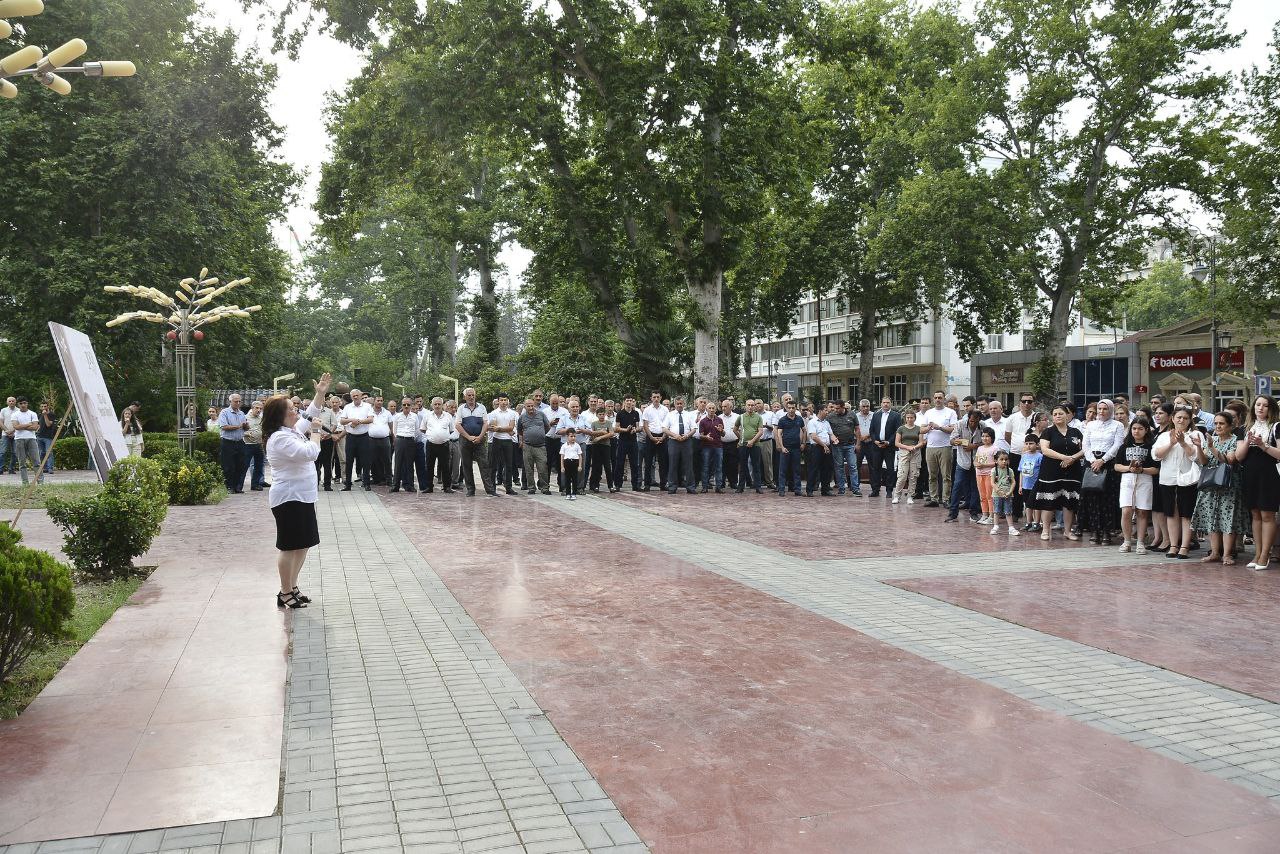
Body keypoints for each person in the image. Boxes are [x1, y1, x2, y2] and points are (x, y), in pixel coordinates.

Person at [263, 374, 331, 610]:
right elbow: (310, 453)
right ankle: (284, 592)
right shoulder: (279, 438)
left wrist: (320, 393)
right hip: (288, 499)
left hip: (302, 497)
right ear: (280, 415)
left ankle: (292, 586)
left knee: (303, 544)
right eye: (292, 409)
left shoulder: (291, 431)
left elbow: (312, 410)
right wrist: (316, 431)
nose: (297, 411)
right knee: (289, 546)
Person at [1192, 411, 1247, 565]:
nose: (1218, 426)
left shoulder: (1235, 440)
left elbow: (1229, 460)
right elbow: (1203, 461)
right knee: (1212, 518)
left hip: (1228, 485)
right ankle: (1215, 553)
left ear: (1230, 425)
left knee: (1228, 519)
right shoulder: (1212, 439)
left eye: (1221, 423)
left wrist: (1212, 448)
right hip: (1210, 485)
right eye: (1216, 423)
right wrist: (1199, 447)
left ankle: (1227, 554)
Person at [1236, 395, 1280, 570]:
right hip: (1250, 474)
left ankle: (1265, 554)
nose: (1260, 408)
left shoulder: (1276, 426)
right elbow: (1239, 456)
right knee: (1255, 514)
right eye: (1258, 405)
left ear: (1271, 409)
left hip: (1269, 474)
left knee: (1267, 515)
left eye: (1265, 405)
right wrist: (1248, 440)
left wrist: (1263, 445)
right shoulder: (1245, 428)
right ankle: (1257, 552)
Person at [1153, 406, 1203, 559]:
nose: (1181, 420)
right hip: (1167, 479)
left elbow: (1196, 457)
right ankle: (1173, 545)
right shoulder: (1164, 436)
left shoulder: (1195, 434)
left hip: (1188, 480)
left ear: (1190, 420)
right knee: (1171, 512)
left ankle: (1185, 546)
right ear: (1172, 419)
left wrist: (1183, 443)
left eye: (1185, 418)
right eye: (1179, 417)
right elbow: (1156, 455)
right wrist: (1171, 443)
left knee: (1186, 514)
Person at [1035, 405, 1085, 542]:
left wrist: (1072, 458)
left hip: (1072, 471)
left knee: (1069, 502)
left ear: (1067, 415)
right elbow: (1045, 450)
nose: (1058, 416)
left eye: (1061, 413)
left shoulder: (1076, 432)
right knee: (1049, 501)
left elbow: (1085, 448)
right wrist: (1064, 457)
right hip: (1051, 471)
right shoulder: (1048, 432)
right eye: (1055, 414)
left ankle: (1067, 531)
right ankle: (1046, 530)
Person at [1080, 399, 1125, 545]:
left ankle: (1107, 531)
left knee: (1107, 498)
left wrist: (1103, 460)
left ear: (1110, 410)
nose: (1101, 412)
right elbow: (1085, 444)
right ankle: (1094, 530)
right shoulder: (1091, 425)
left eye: (1105, 409)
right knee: (1092, 497)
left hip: (1108, 462)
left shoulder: (1117, 425)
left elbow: (1118, 444)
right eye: (1099, 409)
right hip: (1091, 462)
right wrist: (1093, 460)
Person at [1116, 417, 1158, 554]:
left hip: (1145, 479)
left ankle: (1140, 542)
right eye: (1134, 428)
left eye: (1140, 429)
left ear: (1146, 430)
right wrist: (1129, 468)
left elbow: (1156, 469)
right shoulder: (1124, 445)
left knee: (1142, 511)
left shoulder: (1151, 446)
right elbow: (1117, 466)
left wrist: (1142, 470)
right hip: (1127, 479)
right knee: (1126, 510)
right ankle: (1127, 541)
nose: (1136, 431)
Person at [921, 391, 957, 507]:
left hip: (945, 446)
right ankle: (934, 499)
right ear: (933, 399)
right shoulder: (929, 412)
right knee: (932, 475)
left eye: (940, 398)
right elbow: (921, 430)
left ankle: (946, 499)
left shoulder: (950, 412)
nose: (937, 400)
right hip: (930, 447)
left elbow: (953, 429)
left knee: (946, 475)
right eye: (936, 397)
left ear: (944, 399)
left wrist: (939, 427)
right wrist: (928, 428)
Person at [456, 388, 494, 497]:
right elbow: (458, 425)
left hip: (480, 440)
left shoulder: (482, 407)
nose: (471, 397)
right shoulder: (461, 409)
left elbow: (485, 423)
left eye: (473, 395)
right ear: (465, 397)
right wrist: (468, 437)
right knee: (466, 465)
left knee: (484, 464)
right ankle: (470, 490)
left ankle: (490, 490)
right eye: (469, 395)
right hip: (465, 440)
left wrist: (480, 437)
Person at [1004, 394, 1037, 522]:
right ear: (1020, 403)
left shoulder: (1037, 417)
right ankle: (1016, 512)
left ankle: (1033, 515)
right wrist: (1018, 446)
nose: (1027, 404)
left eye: (1029, 401)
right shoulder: (1012, 418)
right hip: (1015, 454)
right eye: (1024, 401)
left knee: (1031, 483)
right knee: (1015, 482)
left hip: (1032, 456)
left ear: (1033, 403)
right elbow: (1008, 436)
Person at [946, 410, 982, 522]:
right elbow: (951, 440)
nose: (973, 424)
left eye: (976, 422)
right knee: (957, 485)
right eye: (971, 421)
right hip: (962, 461)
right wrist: (961, 442)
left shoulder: (983, 426)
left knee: (975, 487)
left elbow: (988, 441)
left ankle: (974, 512)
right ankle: (952, 513)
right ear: (968, 419)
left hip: (977, 462)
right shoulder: (960, 424)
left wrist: (973, 446)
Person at [867, 397, 900, 497]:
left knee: (890, 468)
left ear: (891, 404)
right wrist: (875, 441)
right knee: (876, 468)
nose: (885, 404)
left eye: (887, 402)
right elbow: (871, 430)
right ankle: (875, 490)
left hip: (889, 446)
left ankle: (889, 490)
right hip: (877, 446)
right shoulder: (876, 415)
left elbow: (897, 431)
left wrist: (889, 442)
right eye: (884, 402)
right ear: (881, 403)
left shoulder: (896, 415)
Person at [518, 397, 552, 495]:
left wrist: (541, 434)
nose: (531, 408)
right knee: (529, 469)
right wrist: (523, 439)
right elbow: (519, 430)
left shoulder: (541, 414)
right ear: (525, 407)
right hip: (527, 446)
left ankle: (544, 488)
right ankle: (531, 488)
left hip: (541, 446)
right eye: (528, 406)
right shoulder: (522, 417)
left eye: (532, 406)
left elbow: (548, 426)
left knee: (543, 468)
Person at [217, 394, 249, 494]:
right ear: (230, 401)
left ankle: (237, 487)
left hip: (240, 441)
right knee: (228, 466)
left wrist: (246, 426)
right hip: (228, 442)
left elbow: (244, 427)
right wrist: (239, 426)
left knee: (240, 465)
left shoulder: (241, 413)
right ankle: (229, 487)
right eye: (236, 401)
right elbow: (224, 426)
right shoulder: (224, 412)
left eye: (239, 401)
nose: (238, 403)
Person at [664, 397, 696, 494]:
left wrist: (687, 435)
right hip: (674, 441)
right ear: (674, 404)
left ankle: (690, 487)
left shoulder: (689, 415)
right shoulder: (669, 415)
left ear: (684, 404)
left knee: (689, 465)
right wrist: (675, 435)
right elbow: (664, 429)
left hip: (687, 441)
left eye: (681, 403)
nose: (679, 405)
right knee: (673, 464)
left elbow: (694, 428)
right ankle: (672, 487)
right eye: (677, 403)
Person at [774, 399, 806, 497]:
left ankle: (797, 490)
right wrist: (782, 446)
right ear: (786, 408)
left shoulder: (799, 419)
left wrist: (803, 443)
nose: (791, 410)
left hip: (796, 448)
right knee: (783, 470)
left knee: (796, 470)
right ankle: (781, 489)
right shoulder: (782, 420)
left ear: (796, 408)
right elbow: (779, 434)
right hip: (786, 448)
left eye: (793, 408)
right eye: (789, 408)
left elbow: (804, 430)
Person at [389, 396, 421, 493]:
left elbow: (417, 430)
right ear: (401, 405)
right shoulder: (397, 416)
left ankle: (409, 485)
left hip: (410, 440)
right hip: (400, 440)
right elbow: (394, 430)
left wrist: (411, 437)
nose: (406, 406)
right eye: (404, 404)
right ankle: (395, 485)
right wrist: (398, 439)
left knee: (409, 464)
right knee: (398, 463)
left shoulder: (415, 416)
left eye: (408, 404)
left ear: (411, 405)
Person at [892, 410, 924, 504]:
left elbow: (921, 442)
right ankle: (897, 496)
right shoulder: (901, 429)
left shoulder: (918, 428)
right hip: (904, 452)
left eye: (911, 417)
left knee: (913, 476)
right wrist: (907, 447)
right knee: (902, 475)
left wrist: (915, 447)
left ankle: (910, 496)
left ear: (914, 418)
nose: (910, 419)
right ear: (905, 418)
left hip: (915, 452)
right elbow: (897, 443)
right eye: (908, 418)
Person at [827, 401, 857, 496]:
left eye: (837, 408)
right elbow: (827, 430)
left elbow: (857, 429)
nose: (835, 410)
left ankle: (855, 488)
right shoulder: (830, 416)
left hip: (850, 445)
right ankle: (841, 488)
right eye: (835, 408)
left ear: (843, 407)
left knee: (853, 466)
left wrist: (858, 443)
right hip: (837, 446)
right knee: (839, 467)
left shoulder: (852, 414)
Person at [640, 392, 669, 491]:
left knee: (663, 462)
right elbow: (645, 425)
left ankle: (663, 484)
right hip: (650, 437)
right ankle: (647, 484)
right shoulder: (647, 410)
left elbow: (667, 424)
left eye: (658, 397)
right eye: (654, 397)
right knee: (648, 462)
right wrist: (651, 437)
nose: (656, 399)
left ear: (661, 398)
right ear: (651, 398)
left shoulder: (665, 409)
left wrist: (663, 437)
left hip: (662, 436)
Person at [9, 398, 41, 485]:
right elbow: (16, 427)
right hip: (19, 439)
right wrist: (29, 424)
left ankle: (40, 481)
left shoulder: (32, 413)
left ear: (27, 403)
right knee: (22, 462)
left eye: (24, 403)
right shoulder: (15, 414)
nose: (23, 405)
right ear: (18, 404)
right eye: (21, 403)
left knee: (36, 461)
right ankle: (25, 483)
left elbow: (35, 427)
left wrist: (21, 426)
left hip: (31, 438)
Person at [806, 404, 835, 497]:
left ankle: (825, 490)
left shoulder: (826, 423)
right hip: (816, 448)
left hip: (827, 447)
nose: (827, 412)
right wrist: (824, 445)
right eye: (825, 410)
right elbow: (814, 436)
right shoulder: (812, 422)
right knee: (813, 469)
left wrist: (834, 439)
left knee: (827, 469)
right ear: (820, 411)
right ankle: (810, 490)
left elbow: (831, 434)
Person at [587, 402, 616, 493]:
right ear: (597, 415)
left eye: (603, 414)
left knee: (607, 466)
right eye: (600, 414)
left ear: (605, 414)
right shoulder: (594, 424)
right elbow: (592, 434)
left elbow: (611, 433)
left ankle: (610, 485)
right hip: (596, 446)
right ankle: (595, 485)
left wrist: (600, 437)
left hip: (606, 446)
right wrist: (601, 433)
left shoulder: (608, 423)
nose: (602, 416)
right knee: (596, 466)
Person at [737, 399, 765, 494]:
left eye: (752, 405)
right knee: (742, 466)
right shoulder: (741, 417)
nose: (750, 407)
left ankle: (758, 487)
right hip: (743, 444)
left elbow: (760, 431)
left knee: (756, 465)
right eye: (748, 405)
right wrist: (741, 438)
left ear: (755, 407)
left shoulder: (758, 417)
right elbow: (735, 429)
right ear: (745, 406)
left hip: (755, 444)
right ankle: (740, 487)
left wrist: (752, 441)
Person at [314, 395, 341, 491]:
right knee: (316, 463)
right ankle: (315, 484)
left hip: (327, 440)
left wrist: (329, 433)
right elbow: (308, 426)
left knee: (327, 463)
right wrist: (318, 434)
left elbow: (334, 424)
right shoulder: (312, 412)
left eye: (322, 400)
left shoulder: (329, 411)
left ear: (324, 401)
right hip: (315, 440)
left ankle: (327, 485)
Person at [366, 396, 393, 486]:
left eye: (381, 400)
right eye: (378, 400)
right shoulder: (369, 412)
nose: (380, 402)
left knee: (387, 460)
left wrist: (393, 437)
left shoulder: (387, 413)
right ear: (374, 401)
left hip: (385, 439)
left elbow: (391, 425)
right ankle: (376, 479)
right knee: (373, 460)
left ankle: (389, 480)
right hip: (371, 439)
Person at [697, 404, 725, 493]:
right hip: (706, 447)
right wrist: (706, 437)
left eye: (713, 408)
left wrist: (721, 431)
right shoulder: (703, 421)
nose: (712, 410)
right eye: (710, 408)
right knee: (705, 467)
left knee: (719, 467)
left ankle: (718, 487)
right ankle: (704, 487)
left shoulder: (719, 420)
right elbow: (701, 436)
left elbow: (723, 434)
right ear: (706, 409)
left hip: (718, 446)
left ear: (716, 409)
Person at [973, 426, 997, 525]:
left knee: (989, 495)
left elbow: (997, 463)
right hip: (979, 474)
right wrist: (976, 464)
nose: (984, 438)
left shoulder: (995, 448)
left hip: (989, 474)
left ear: (992, 437)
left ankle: (991, 516)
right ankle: (984, 514)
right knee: (982, 496)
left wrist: (984, 465)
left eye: (987, 436)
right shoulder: (980, 448)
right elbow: (976, 460)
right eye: (983, 436)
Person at [991, 451, 1018, 535]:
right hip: (997, 495)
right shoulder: (994, 470)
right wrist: (999, 491)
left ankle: (1011, 528)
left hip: (1008, 495)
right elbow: (992, 483)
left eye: (1006, 459)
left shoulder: (1010, 471)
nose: (1004, 461)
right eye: (1001, 459)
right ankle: (995, 526)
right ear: (996, 460)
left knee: (1008, 511)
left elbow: (1013, 482)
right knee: (996, 511)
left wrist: (1010, 492)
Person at [243, 399, 268, 491]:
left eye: (260, 408)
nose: (259, 410)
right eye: (257, 408)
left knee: (259, 465)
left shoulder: (260, 418)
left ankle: (255, 484)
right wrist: (246, 434)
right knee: (244, 465)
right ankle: (239, 485)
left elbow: (263, 429)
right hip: (248, 444)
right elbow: (239, 430)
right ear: (252, 408)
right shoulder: (245, 417)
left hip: (258, 444)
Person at [560, 428, 582, 500]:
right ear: (567, 436)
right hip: (567, 462)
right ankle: (568, 493)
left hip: (575, 462)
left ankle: (574, 493)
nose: (573, 438)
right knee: (567, 479)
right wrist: (562, 466)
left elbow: (580, 456)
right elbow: (562, 456)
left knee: (575, 479)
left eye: (574, 436)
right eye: (571, 436)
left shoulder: (577, 445)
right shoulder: (564, 446)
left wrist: (580, 465)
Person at [36, 402, 56, 474]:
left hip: (48, 437)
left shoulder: (51, 415)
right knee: (42, 453)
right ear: (40, 407)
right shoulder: (39, 415)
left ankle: (50, 468)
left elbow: (48, 424)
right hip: (39, 436)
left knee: (49, 452)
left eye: (45, 406)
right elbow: (38, 425)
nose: (43, 408)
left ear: (48, 407)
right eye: (42, 406)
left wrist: (45, 415)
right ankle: (44, 468)